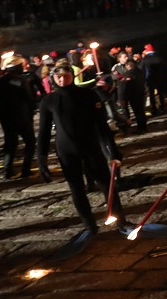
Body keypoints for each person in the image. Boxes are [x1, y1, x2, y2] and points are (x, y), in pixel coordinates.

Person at [37, 60, 126, 233]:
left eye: (66, 76)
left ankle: (119, 219)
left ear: (73, 76)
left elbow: (102, 125)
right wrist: (42, 159)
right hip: (66, 150)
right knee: (76, 188)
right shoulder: (49, 100)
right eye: (58, 77)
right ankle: (89, 225)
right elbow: (43, 133)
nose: (62, 80)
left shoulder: (88, 95)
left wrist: (112, 149)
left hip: (90, 146)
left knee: (107, 185)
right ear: (53, 78)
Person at [0, 54, 41, 181]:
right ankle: (25, 170)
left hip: (5, 117)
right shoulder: (22, 80)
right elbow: (29, 99)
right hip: (21, 116)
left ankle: (7, 171)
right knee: (30, 143)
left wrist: (0, 111)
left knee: (10, 143)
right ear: (17, 67)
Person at [112, 51, 147, 133]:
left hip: (132, 93)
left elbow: (126, 83)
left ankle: (141, 127)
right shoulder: (117, 67)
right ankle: (132, 125)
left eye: (126, 57)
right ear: (119, 58)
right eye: (124, 57)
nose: (126, 58)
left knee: (138, 111)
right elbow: (114, 77)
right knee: (132, 110)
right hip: (131, 92)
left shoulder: (130, 70)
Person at [140, 44, 167, 115]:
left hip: (150, 79)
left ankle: (154, 110)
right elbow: (165, 67)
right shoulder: (159, 57)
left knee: (152, 95)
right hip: (159, 78)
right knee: (161, 94)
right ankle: (162, 108)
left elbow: (139, 68)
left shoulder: (145, 59)